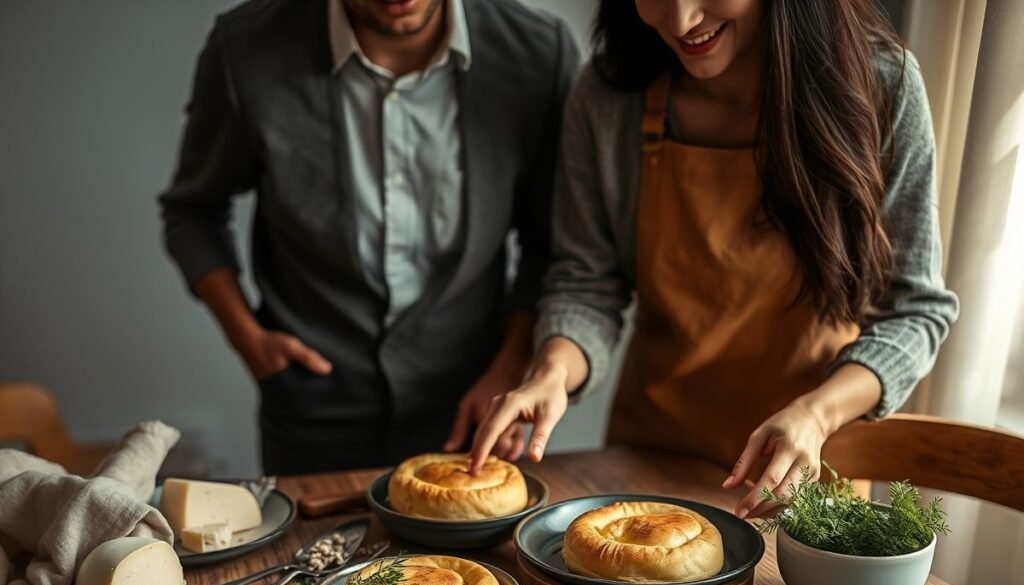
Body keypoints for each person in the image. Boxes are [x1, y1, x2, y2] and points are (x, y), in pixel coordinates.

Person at [469, 0, 958, 518]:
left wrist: (816, 414)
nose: (680, 21)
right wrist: (550, 371)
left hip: (799, 478)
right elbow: (586, 282)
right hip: (647, 464)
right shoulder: (609, 96)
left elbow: (915, 311)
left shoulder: (883, 85)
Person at [160, 0, 578, 472]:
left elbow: (554, 239)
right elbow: (193, 211)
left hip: (474, 408)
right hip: (311, 412)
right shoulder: (245, 48)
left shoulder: (538, 52)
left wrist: (510, 364)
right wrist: (250, 341)